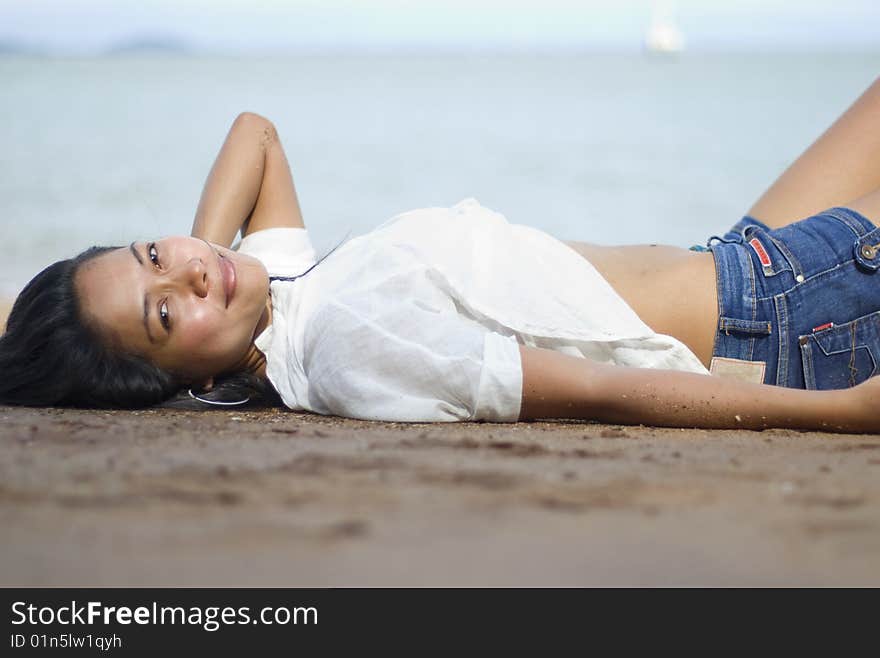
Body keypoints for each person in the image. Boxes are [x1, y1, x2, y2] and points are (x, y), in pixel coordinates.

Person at [2, 78, 880, 433]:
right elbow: (604, 392)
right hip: (787, 317)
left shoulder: (290, 298)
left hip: (741, 263)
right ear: (183, 383)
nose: (189, 269)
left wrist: (205, 279)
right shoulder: (344, 337)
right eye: (164, 314)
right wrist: (848, 416)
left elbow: (254, 135)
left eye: (153, 250)